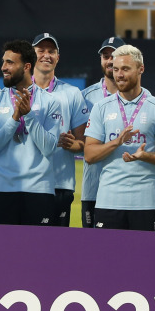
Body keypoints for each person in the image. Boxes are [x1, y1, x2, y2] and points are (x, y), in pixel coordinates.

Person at [84, 44, 155, 231]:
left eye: (125, 69)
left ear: (141, 69)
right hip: (108, 201)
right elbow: (89, 155)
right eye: (116, 69)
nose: (119, 75)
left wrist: (146, 156)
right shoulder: (101, 108)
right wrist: (116, 142)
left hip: (147, 202)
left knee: (146, 251)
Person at [0, 39, 60, 225]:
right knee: (0, 245)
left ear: (26, 67)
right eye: (3, 62)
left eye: (10, 62)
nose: (3, 67)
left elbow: (49, 148)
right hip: (1, 190)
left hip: (39, 190)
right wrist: (14, 119)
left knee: (38, 245)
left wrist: (29, 116)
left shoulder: (50, 102)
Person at [32, 32, 90, 227]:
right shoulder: (19, 91)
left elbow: (83, 143)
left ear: (58, 57)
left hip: (59, 183)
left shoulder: (72, 93)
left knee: (57, 244)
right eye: (41, 50)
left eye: (51, 51)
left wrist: (74, 145)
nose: (46, 55)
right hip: (24, 183)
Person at [79, 37, 126, 228]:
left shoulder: (140, 97)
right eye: (106, 56)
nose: (110, 61)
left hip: (128, 189)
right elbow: (79, 142)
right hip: (94, 189)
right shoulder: (85, 97)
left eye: (115, 55)